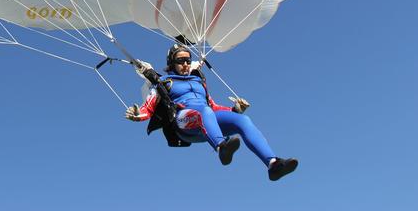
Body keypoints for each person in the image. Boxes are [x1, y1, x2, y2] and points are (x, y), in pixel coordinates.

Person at [125, 43, 298, 181]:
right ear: (172, 63)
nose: (185, 64)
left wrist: (235, 110)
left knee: (243, 120)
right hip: (184, 123)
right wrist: (136, 115)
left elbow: (213, 107)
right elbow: (148, 108)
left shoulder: (198, 81)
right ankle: (221, 147)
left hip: (206, 120)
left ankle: (273, 164)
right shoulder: (164, 82)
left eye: (187, 60)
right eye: (180, 61)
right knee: (204, 113)